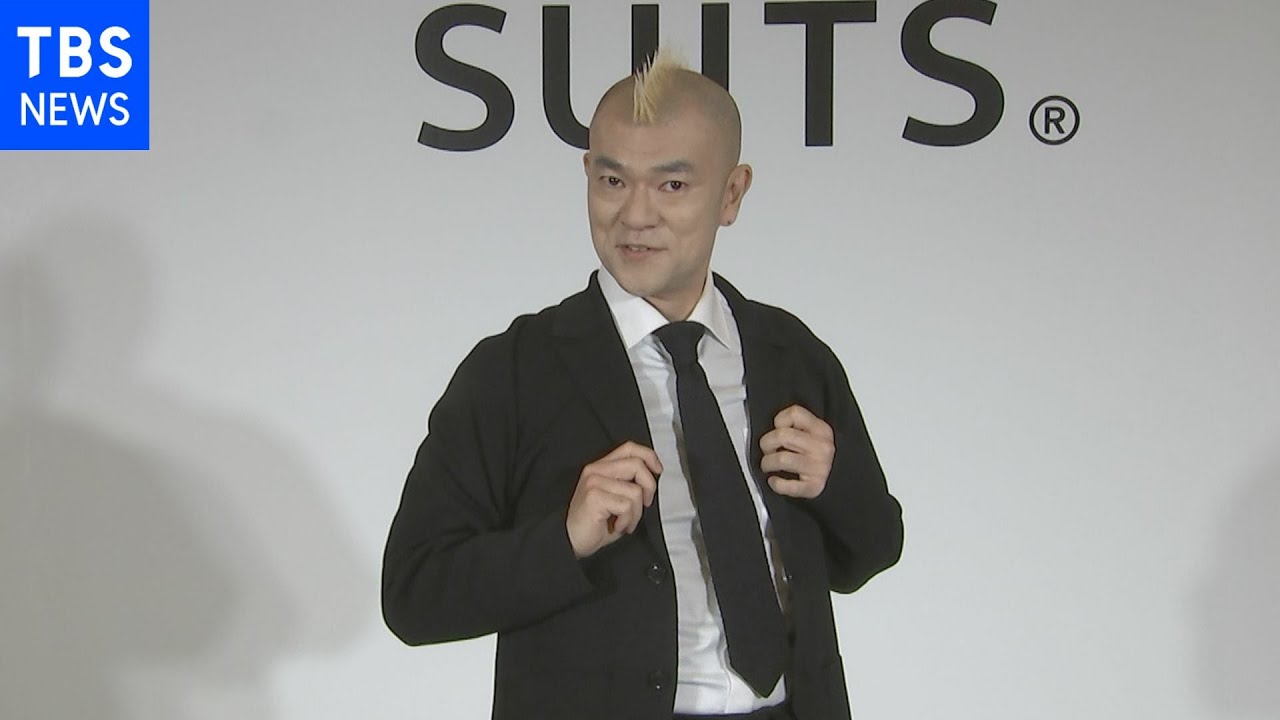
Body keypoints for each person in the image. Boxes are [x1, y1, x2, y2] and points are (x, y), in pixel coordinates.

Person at [382, 49, 903, 720]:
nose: (634, 215)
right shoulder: (512, 371)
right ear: (587, 176)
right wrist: (564, 539)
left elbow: (871, 551)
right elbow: (414, 594)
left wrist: (835, 485)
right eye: (612, 180)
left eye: (672, 185)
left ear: (732, 194)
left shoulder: (791, 354)